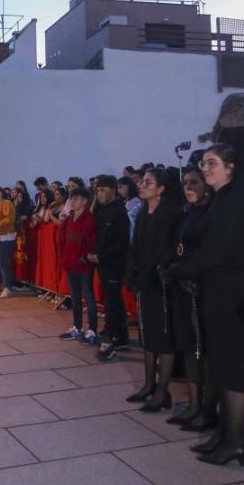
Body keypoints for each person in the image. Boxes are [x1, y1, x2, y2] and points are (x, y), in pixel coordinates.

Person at [167, 139, 244, 466]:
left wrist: (181, 269)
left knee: (232, 369)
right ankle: (224, 434)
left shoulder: (236, 202)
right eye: (204, 164)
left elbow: (218, 251)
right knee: (220, 367)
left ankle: (236, 441)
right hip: (216, 290)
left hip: (231, 292)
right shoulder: (223, 200)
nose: (205, 169)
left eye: (212, 163)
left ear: (231, 168)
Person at [125, 167, 185, 410]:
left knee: (163, 337)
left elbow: (168, 251)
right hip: (144, 282)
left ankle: (163, 391)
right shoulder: (142, 214)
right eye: (142, 182)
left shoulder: (170, 213)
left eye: (148, 183)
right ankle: (149, 384)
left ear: (161, 189)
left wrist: (151, 272)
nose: (142, 185)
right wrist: (132, 273)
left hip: (161, 283)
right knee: (146, 334)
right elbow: (136, 245)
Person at [164, 166, 216, 432]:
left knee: (201, 350)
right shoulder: (188, 213)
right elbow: (179, 247)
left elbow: (207, 253)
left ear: (207, 185)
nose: (188, 187)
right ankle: (194, 406)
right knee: (188, 348)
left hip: (202, 289)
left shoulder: (212, 214)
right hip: (182, 288)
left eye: (194, 182)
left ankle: (206, 409)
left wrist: (182, 269)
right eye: (185, 183)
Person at [88, 174, 131, 361]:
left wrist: (102, 256)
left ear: (114, 190)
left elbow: (122, 243)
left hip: (113, 263)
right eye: (97, 190)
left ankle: (114, 338)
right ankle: (118, 333)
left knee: (113, 300)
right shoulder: (100, 209)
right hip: (101, 262)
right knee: (109, 298)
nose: (100, 194)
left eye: (103, 190)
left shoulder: (119, 211)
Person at [57, 187, 98, 345]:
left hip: (83, 265)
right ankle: (77, 327)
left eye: (76, 198)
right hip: (69, 264)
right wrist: (64, 258)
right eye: (71, 198)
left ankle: (92, 330)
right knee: (74, 297)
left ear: (85, 201)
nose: (72, 201)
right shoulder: (69, 219)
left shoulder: (89, 219)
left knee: (88, 296)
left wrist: (84, 257)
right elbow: (61, 241)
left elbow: (91, 241)